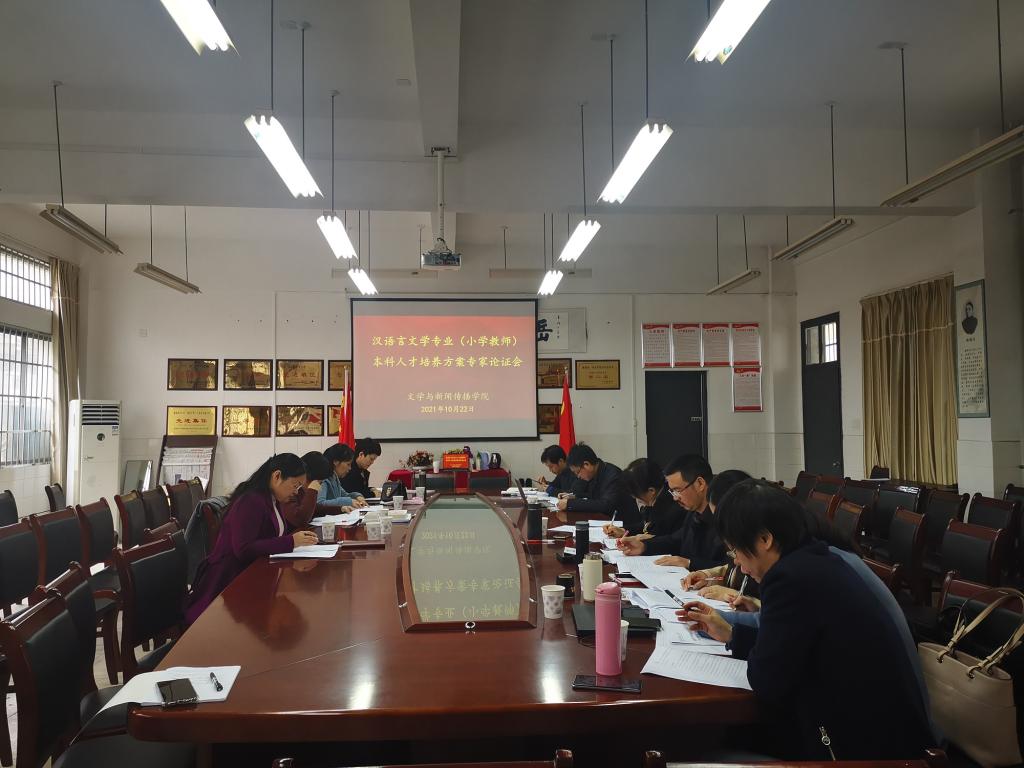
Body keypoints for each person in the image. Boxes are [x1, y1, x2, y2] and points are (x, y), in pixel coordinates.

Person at [680, 480, 937, 761]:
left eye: (735, 551)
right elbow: (794, 645)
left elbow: (767, 680)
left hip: (863, 749)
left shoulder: (789, 578)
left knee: (705, 749)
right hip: (888, 732)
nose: (738, 564)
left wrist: (748, 645)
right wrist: (732, 634)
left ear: (765, 539)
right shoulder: (815, 557)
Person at [184, 454, 319, 625]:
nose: (297, 491)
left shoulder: (273, 499)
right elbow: (243, 549)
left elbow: (270, 536)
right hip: (229, 582)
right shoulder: (251, 500)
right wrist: (291, 542)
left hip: (253, 574)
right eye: (295, 485)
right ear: (277, 476)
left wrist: (292, 541)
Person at [616, 454, 724, 570]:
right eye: (672, 491)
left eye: (678, 490)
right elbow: (675, 540)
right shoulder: (693, 512)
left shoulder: (723, 518)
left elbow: (730, 568)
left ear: (700, 484)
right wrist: (644, 546)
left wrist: (689, 563)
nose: (675, 498)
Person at [556, 444, 642, 535]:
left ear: (586, 464)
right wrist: (574, 497)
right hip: (607, 525)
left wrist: (570, 503)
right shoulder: (595, 473)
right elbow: (594, 496)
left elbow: (605, 504)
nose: (578, 476)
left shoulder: (613, 475)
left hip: (626, 528)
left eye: (577, 472)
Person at [604, 458, 686, 540]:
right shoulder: (659, 496)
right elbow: (646, 526)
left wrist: (648, 540)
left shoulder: (672, 508)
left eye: (635, 493)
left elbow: (668, 538)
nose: (634, 497)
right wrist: (623, 530)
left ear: (651, 491)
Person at [318, 443, 368, 509]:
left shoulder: (334, 477)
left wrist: (357, 496)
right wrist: (348, 501)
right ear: (336, 462)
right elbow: (320, 504)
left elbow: (345, 495)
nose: (350, 468)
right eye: (348, 464)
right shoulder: (323, 479)